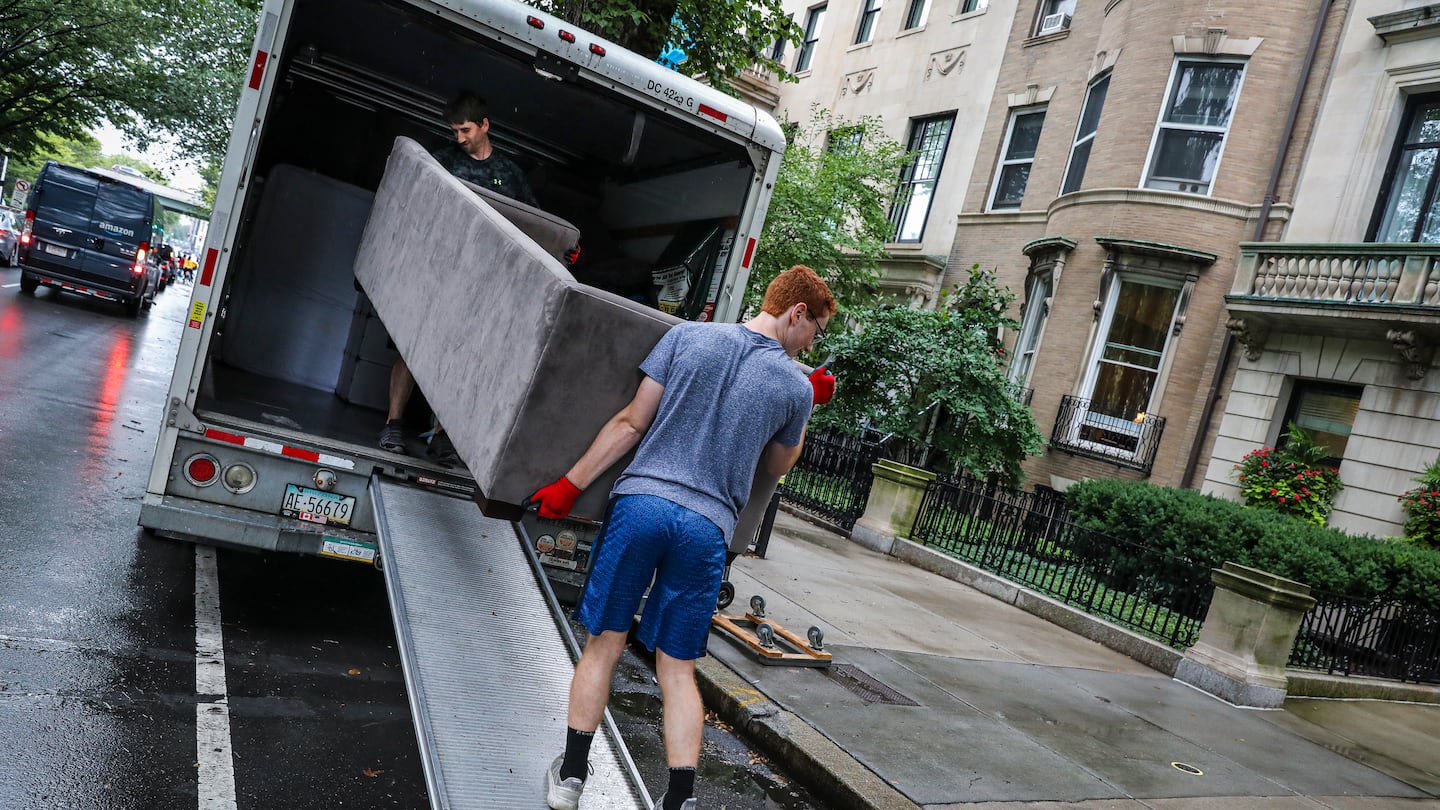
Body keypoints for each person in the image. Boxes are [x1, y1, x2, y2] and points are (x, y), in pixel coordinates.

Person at [529, 265, 838, 810]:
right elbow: (779, 463)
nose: (813, 341)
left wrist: (569, 483)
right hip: (705, 529)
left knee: (605, 643)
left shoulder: (689, 335)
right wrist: (807, 403)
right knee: (676, 669)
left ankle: (570, 779)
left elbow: (630, 423)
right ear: (797, 313)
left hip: (642, 505)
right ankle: (679, 802)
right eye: (815, 328)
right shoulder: (794, 383)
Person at [379, 91, 538, 462]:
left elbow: (533, 224)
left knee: (461, 359)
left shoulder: (509, 175)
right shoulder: (442, 162)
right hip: (436, 274)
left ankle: (444, 435)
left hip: (483, 287)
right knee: (411, 347)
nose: (460, 138)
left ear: (485, 125)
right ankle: (393, 425)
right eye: (455, 131)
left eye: (465, 130)